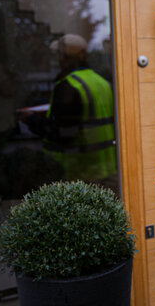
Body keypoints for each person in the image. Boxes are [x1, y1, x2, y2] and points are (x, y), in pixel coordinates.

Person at [23, 34, 118, 194]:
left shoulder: (68, 86)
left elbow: (62, 134)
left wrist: (31, 120)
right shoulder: (102, 82)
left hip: (79, 173)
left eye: (61, 55)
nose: (59, 60)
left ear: (69, 58)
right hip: (107, 170)